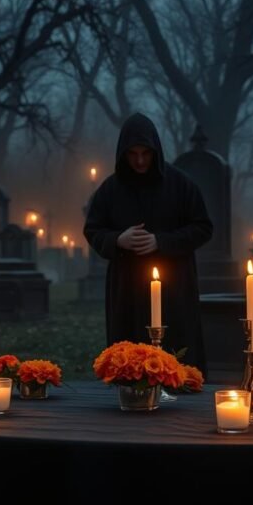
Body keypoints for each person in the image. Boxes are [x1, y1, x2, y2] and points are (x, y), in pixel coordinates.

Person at [84, 113, 213, 373]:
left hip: (174, 286)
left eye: (146, 153)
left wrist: (161, 242)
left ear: (156, 151)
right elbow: (93, 229)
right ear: (123, 153)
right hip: (127, 289)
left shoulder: (180, 185)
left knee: (177, 355)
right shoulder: (110, 189)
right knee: (129, 360)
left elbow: (203, 228)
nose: (140, 161)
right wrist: (118, 239)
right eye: (133, 154)